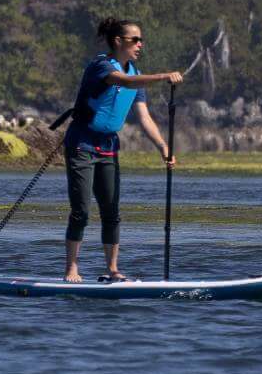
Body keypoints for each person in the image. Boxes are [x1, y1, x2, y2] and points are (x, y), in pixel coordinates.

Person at [60, 17, 183, 284]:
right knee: (81, 210)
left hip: (107, 147)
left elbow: (145, 117)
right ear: (118, 41)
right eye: (135, 39)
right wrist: (163, 76)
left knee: (111, 211)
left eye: (141, 39)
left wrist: (163, 147)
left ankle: (113, 269)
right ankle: (72, 268)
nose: (140, 44)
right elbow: (122, 81)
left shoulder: (136, 75)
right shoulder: (101, 66)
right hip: (81, 143)